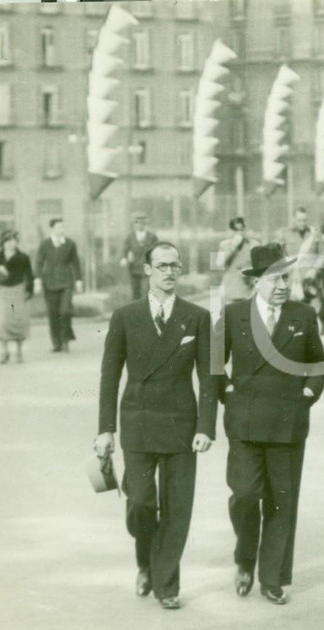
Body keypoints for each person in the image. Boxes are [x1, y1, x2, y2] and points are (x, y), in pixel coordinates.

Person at [94, 242, 218, 610]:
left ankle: (166, 584)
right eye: (162, 265)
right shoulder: (125, 316)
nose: (169, 272)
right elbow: (109, 375)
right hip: (138, 422)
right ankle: (145, 560)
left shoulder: (197, 316)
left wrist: (206, 427)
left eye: (175, 266)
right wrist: (105, 429)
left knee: (178, 508)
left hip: (181, 424)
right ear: (147, 270)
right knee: (141, 503)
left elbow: (209, 377)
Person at [217, 243, 324, 605]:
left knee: (281, 502)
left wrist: (307, 395)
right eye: (274, 279)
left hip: (287, 423)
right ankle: (245, 556)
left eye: (286, 278)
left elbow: (318, 363)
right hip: (245, 424)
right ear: (256, 282)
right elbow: (214, 364)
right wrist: (227, 393)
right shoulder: (234, 315)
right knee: (245, 496)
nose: (282, 285)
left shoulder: (303, 315)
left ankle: (272, 578)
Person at [34, 217, 82, 353]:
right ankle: (57, 343)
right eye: (59, 227)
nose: (62, 229)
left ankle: (65, 339)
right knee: (53, 313)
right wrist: (37, 281)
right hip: (49, 283)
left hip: (66, 282)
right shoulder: (45, 244)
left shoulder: (70, 244)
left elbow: (76, 263)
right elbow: (38, 263)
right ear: (52, 229)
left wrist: (79, 280)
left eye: (63, 227)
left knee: (65, 311)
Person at [0, 230, 34, 364]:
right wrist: (0, 275)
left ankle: (19, 352)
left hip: (18, 290)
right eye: (7, 241)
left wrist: (29, 290)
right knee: (2, 322)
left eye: (13, 241)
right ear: (3, 243)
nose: (10, 244)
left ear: (16, 242)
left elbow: (29, 275)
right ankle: (5, 352)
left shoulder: (23, 257)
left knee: (18, 321)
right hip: (4, 291)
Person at [218, 217, 260, 303]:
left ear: (245, 229)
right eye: (235, 230)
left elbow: (259, 265)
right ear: (230, 231)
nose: (239, 233)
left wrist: (251, 270)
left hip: (249, 288)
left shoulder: (254, 244)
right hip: (230, 289)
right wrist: (233, 247)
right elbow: (218, 264)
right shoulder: (223, 245)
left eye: (241, 229)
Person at [120, 212, 159, 301]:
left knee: (147, 289)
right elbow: (125, 249)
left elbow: (157, 249)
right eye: (136, 222)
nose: (139, 225)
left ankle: (148, 306)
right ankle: (137, 307)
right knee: (135, 290)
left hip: (148, 267)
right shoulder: (130, 237)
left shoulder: (152, 236)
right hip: (134, 267)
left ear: (145, 223)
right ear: (133, 224)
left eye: (142, 222)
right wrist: (124, 258)